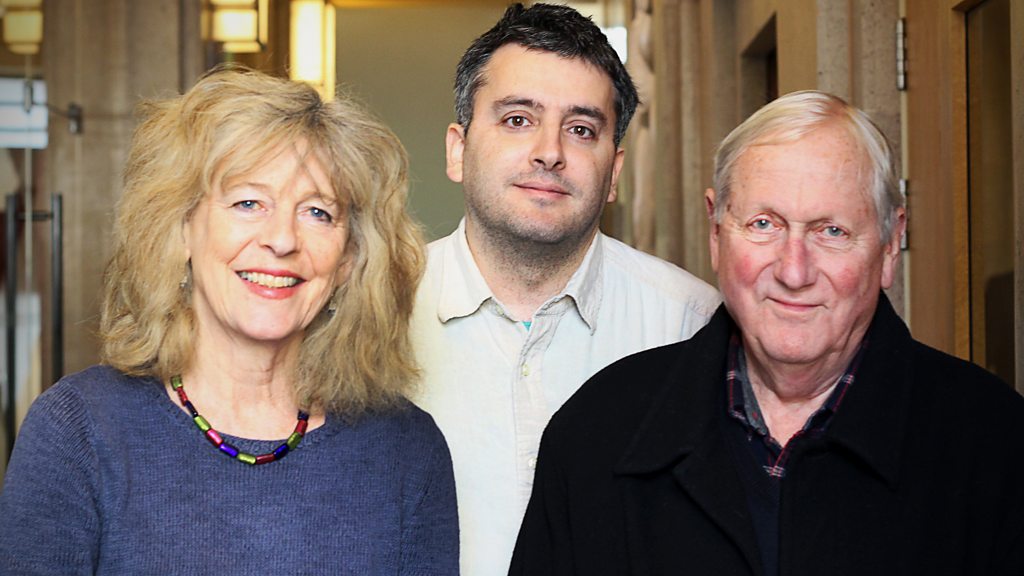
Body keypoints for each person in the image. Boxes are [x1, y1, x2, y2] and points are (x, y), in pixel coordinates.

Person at [509, 90, 1024, 575]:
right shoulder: (595, 432)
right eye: (763, 224)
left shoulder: (996, 444)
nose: (794, 271)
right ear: (716, 233)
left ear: (890, 246)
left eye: (832, 231)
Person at [0, 68, 458, 575]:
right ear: (181, 229)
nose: (281, 239)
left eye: (317, 212)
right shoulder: (78, 431)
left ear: (349, 258)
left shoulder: (408, 450)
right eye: (248, 202)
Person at [409, 4, 720, 574]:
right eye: (517, 119)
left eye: (581, 130)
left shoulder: (693, 325)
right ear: (458, 149)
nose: (549, 152)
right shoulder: (375, 311)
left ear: (614, 172)